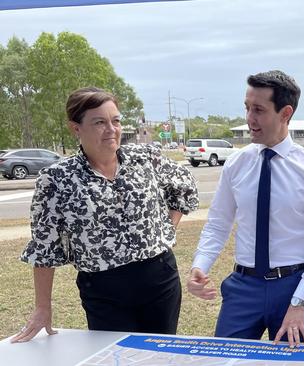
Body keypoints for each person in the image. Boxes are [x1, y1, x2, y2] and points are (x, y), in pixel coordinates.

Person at [11, 87, 199, 343]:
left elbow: (184, 189)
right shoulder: (56, 179)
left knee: (160, 354)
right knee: (116, 357)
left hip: (160, 280)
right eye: (100, 122)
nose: (111, 129)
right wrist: (43, 307)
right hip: (104, 290)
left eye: (116, 121)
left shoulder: (146, 159)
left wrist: (166, 228)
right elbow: (45, 246)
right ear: (75, 128)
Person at [187, 70, 304, 348]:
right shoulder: (236, 164)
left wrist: (299, 301)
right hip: (244, 288)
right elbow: (218, 223)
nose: (249, 119)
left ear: (285, 113)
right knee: (226, 358)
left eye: (259, 110)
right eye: (247, 108)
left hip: (294, 285)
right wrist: (200, 265)